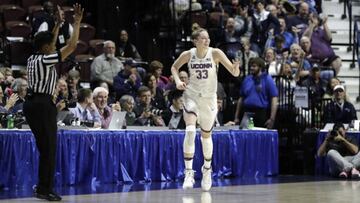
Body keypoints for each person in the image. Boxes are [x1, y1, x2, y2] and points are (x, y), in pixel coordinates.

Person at [23, 4, 83, 201]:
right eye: (51, 44)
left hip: (31, 104)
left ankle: (42, 186)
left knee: (44, 148)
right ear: (46, 47)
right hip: (42, 105)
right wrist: (77, 22)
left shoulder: (33, 58)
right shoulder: (46, 59)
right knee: (49, 148)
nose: (54, 46)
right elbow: (72, 47)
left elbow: (51, 41)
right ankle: (44, 189)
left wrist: (57, 25)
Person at [170, 28, 240, 191]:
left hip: (209, 99)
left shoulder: (215, 53)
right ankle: (189, 172)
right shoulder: (188, 54)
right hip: (192, 95)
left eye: (208, 38)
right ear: (195, 41)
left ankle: (207, 169)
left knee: (206, 136)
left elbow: (234, 73)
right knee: (190, 131)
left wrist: (236, 68)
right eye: (203, 38)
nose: (207, 41)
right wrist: (177, 81)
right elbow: (174, 67)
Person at [234, 57, 278, 129]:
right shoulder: (247, 79)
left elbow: (274, 98)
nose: (251, 68)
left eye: (254, 66)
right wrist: (236, 117)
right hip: (247, 113)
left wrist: (272, 118)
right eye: (251, 66)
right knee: (246, 135)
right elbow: (241, 99)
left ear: (260, 67)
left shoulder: (267, 79)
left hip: (261, 113)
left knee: (260, 136)